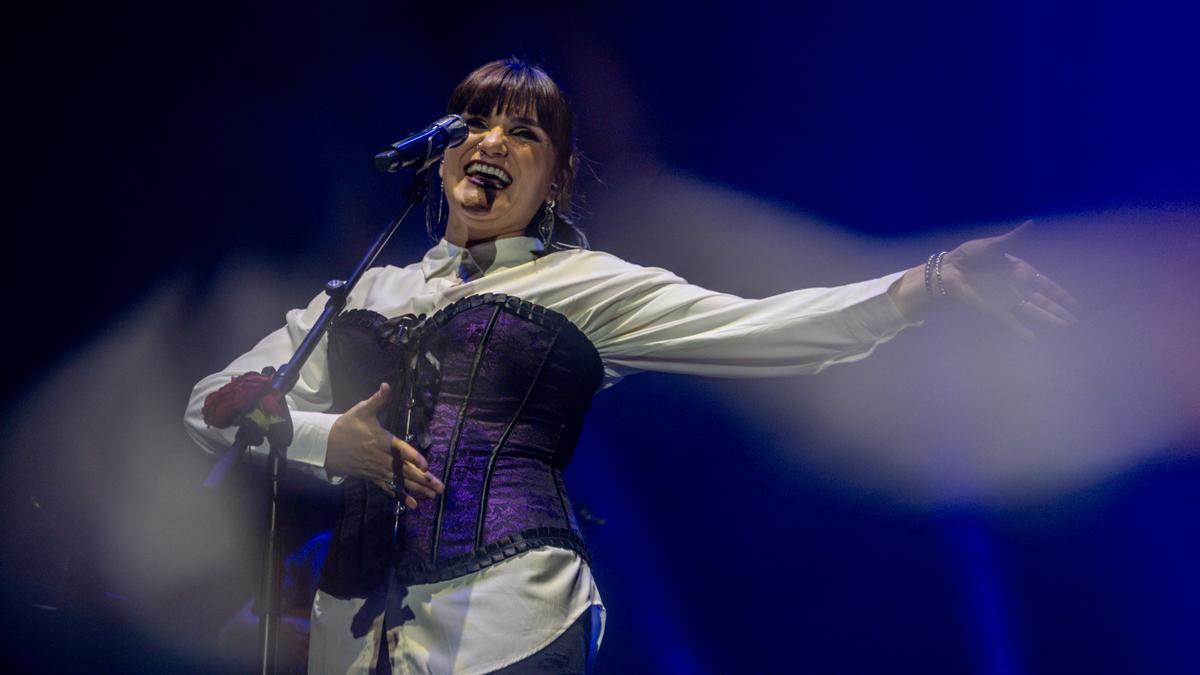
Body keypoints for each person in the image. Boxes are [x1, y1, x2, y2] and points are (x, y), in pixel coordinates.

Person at [185, 58, 1078, 674]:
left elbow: (763, 327)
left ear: (558, 180)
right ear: (445, 153)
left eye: (523, 134)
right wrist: (320, 438)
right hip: (356, 634)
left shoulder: (582, 285)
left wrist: (925, 283)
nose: (491, 142)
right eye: (476, 124)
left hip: (508, 612)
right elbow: (213, 403)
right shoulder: (364, 290)